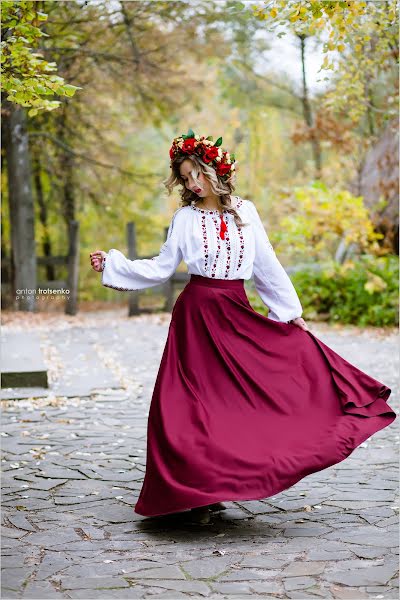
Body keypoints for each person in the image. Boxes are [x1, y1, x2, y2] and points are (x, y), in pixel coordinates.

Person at [90, 128, 396, 525]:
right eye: (185, 178)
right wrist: (115, 264)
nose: (192, 183)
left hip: (236, 313)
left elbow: (266, 265)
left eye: (196, 174)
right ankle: (195, 493)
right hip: (196, 318)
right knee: (188, 405)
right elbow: (162, 267)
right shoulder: (184, 218)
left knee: (238, 402)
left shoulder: (245, 212)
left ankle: (220, 482)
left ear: (214, 170)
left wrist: (289, 313)